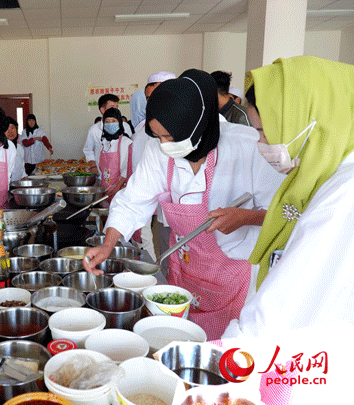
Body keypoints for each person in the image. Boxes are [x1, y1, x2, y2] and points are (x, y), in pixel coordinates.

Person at [83, 69, 284, 340]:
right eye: (158, 137)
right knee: (180, 339)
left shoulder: (247, 146)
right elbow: (132, 201)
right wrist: (108, 245)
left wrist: (245, 217)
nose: (164, 145)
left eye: (170, 137)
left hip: (232, 276)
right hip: (186, 269)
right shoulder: (158, 150)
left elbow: (284, 212)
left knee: (223, 347)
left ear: (197, 124)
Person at [223, 56, 354, 338]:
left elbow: (276, 313)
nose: (261, 143)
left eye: (265, 132)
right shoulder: (327, 171)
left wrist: (230, 350)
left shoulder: (345, 195)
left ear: (309, 122)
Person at [131, 72, 176, 262]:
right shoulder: (145, 130)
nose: (153, 103)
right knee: (168, 259)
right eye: (149, 99)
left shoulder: (199, 126)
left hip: (192, 213)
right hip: (159, 204)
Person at [83, 94, 133, 175]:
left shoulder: (125, 126)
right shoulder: (94, 130)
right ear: (102, 110)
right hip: (102, 174)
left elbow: (130, 149)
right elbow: (88, 150)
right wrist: (93, 166)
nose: (115, 110)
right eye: (112, 107)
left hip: (122, 175)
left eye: (117, 107)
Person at [96, 107, 133, 202]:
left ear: (119, 123)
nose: (110, 124)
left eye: (113, 121)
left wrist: (116, 188)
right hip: (104, 191)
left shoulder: (125, 142)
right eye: (107, 121)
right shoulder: (103, 143)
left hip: (119, 191)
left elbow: (126, 171)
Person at [6, 116, 26, 182]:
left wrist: (24, 178)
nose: (10, 131)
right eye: (7, 128)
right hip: (5, 185)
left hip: (18, 184)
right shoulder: (0, 148)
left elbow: (22, 169)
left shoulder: (19, 148)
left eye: (12, 128)